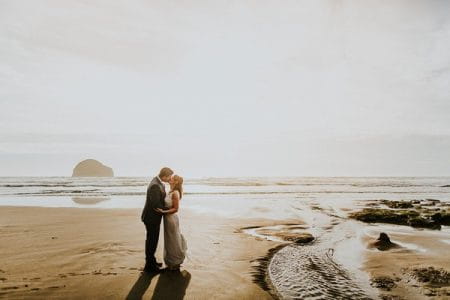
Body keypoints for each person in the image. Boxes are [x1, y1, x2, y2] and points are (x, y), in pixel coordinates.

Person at [141, 167, 174, 272]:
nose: (170, 178)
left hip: (153, 217)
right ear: (164, 175)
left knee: (152, 240)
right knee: (152, 241)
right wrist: (169, 209)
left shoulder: (158, 182)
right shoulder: (155, 185)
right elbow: (156, 205)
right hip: (151, 217)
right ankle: (150, 266)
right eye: (169, 176)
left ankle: (152, 261)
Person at [155, 175, 187, 271]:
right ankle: (170, 262)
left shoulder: (175, 193)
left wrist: (163, 212)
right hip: (167, 219)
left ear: (176, 182)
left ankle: (175, 262)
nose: (170, 179)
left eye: (172, 178)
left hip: (171, 219)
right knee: (169, 240)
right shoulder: (170, 191)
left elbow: (175, 209)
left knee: (173, 240)